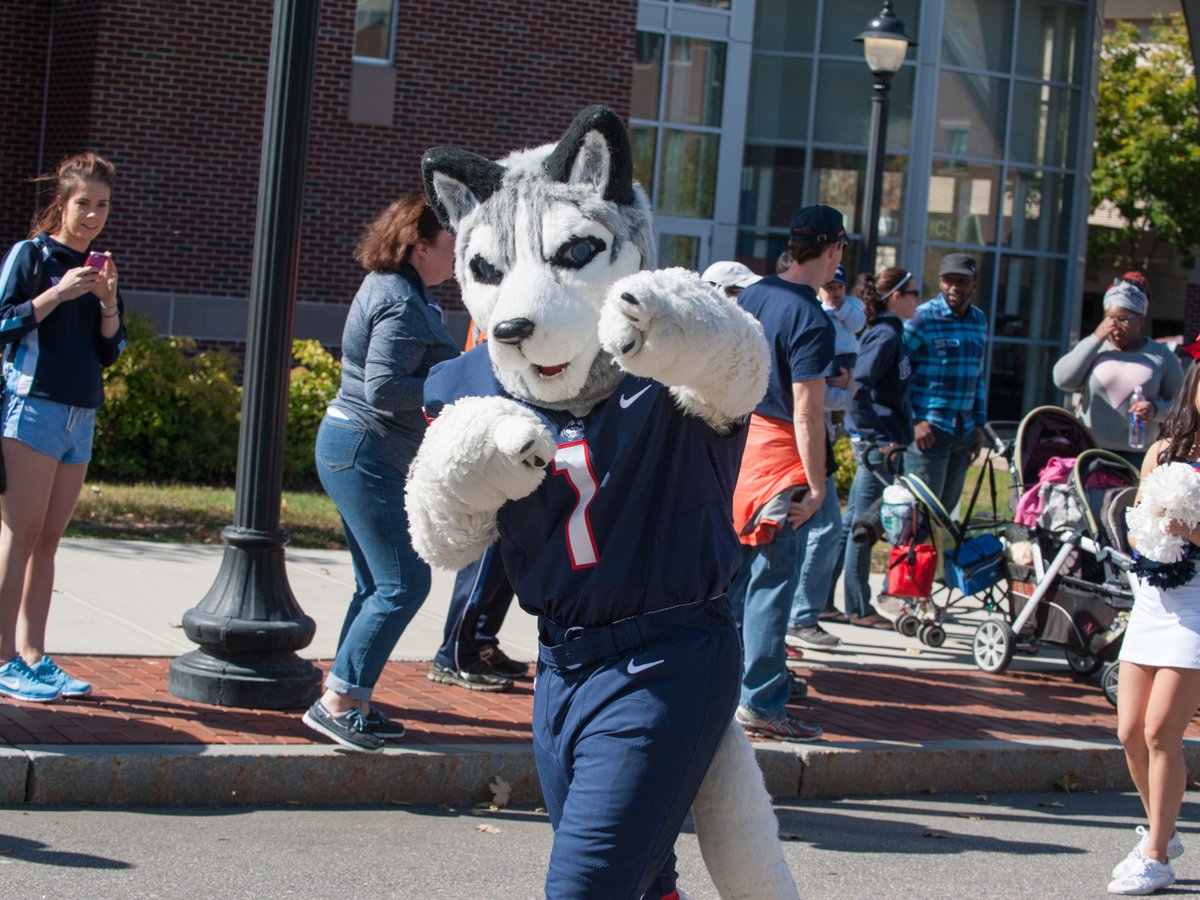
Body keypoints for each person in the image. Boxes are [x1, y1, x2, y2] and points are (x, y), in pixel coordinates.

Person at [302, 192, 459, 752]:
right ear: (420, 246)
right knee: (403, 583)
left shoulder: (400, 289)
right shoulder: (400, 301)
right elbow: (386, 388)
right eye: (451, 242)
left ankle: (351, 697)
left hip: (357, 448)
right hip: (365, 451)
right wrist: (455, 387)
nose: (458, 254)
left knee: (376, 583)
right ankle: (339, 703)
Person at [0, 151, 124, 703]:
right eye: (83, 204)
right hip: (33, 408)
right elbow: (3, 323)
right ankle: (4, 659)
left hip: (81, 412)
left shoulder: (99, 266)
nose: (93, 215)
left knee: (50, 539)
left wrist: (107, 302)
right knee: (18, 535)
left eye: (102, 205)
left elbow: (111, 351)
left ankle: (33, 655)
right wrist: (56, 293)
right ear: (62, 202)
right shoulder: (31, 256)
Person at [729, 204, 842, 741]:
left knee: (731, 585)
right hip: (779, 459)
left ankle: (724, 689)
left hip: (738, 450)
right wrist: (818, 486)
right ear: (834, 249)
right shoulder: (812, 318)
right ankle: (762, 702)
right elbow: (807, 411)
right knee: (771, 587)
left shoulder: (753, 295)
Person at [1108, 361, 1200, 895]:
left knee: (1161, 731)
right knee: (1128, 732)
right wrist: (1151, 537)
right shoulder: (1161, 451)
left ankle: (1156, 854)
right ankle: (1163, 826)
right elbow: (1139, 522)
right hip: (1152, 601)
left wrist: (1186, 527)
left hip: (1196, 606)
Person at [825, 267, 919, 626]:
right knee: (865, 526)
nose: (917, 300)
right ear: (895, 296)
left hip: (881, 443)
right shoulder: (884, 337)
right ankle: (857, 608)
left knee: (852, 526)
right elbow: (858, 390)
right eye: (913, 293)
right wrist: (879, 436)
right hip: (879, 447)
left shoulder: (891, 334)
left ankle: (824, 601)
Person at [1053, 276, 1183, 469]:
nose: (1114, 326)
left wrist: (1155, 410)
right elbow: (1063, 380)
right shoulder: (1095, 349)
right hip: (1088, 452)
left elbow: (1183, 407)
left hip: (1137, 457)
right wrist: (1096, 337)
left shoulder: (1161, 356)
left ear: (1141, 318)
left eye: (1123, 319)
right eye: (1109, 318)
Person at [903, 252, 989, 511]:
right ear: (940, 282)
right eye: (948, 280)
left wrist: (979, 423)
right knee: (920, 516)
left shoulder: (978, 320)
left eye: (962, 281)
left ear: (974, 284)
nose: (954, 287)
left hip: (963, 431)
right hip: (929, 431)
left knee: (945, 518)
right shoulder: (922, 318)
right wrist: (915, 420)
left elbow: (977, 375)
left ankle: (938, 554)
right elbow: (894, 371)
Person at [429, 545, 528, 691]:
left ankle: (481, 644)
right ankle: (453, 659)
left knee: (507, 568)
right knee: (481, 575)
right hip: (486, 525)